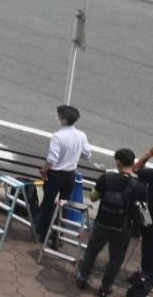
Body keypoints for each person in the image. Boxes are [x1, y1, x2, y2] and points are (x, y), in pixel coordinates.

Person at [76, 149, 145, 296]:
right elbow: (142, 211)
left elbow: (93, 197)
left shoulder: (107, 178)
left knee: (92, 251)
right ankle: (104, 288)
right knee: (116, 259)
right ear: (133, 163)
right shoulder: (138, 186)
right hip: (122, 228)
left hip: (101, 223)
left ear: (118, 163)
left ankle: (82, 278)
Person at [35, 105, 91, 243]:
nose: (57, 117)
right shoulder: (81, 135)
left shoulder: (58, 136)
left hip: (55, 176)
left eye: (59, 115)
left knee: (48, 204)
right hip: (70, 176)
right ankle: (58, 234)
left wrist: (43, 170)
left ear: (64, 119)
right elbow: (87, 155)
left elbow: (52, 159)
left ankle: (43, 234)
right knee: (63, 204)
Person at [133, 146, 153, 277]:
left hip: (149, 215)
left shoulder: (151, 174)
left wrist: (149, 154)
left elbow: (135, 169)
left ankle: (146, 274)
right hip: (148, 214)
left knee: (147, 245)